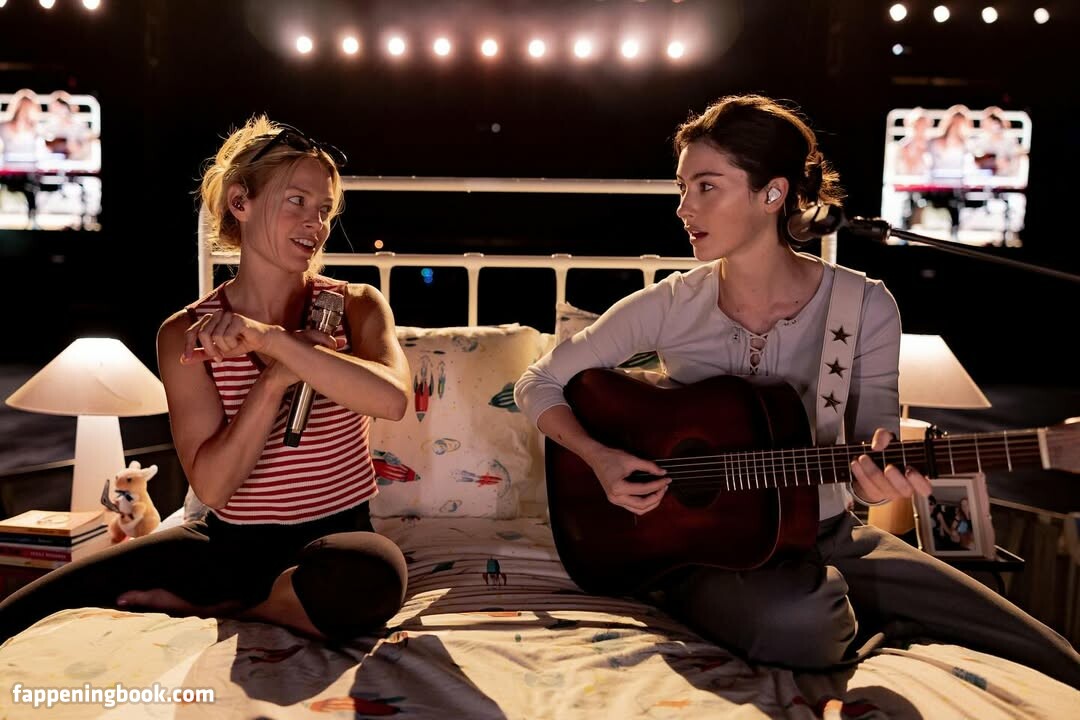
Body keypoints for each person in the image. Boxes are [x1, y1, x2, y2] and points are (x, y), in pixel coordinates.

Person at [515, 94, 1080, 687]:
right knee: (802, 625)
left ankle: (843, 603)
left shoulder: (864, 305)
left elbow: (874, 445)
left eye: (706, 187)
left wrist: (875, 479)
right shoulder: (669, 304)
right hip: (705, 549)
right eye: (682, 188)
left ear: (772, 194)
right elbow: (538, 381)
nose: (684, 208)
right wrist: (599, 459)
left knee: (1047, 655)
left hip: (829, 532)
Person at [0, 116, 411, 644]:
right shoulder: (185, 333)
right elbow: (214, 487)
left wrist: (273, 341)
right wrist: (273, 381)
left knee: (376, 575)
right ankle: (252, 600)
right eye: (297, 201)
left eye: (324, 210)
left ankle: (244, 610)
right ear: (240, 202)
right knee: (27, 610)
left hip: (336, 545)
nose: (315, 223)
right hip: (227, 547)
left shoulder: (356, 305)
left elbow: (392, 399)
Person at [0, 89, 47, 228]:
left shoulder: (37, 129)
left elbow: (43, 150)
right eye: (23, 107)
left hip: (28, 172)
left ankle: (32, 219)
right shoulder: (3, 127)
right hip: (8, 172)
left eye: (29, 107)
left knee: (32, 186)